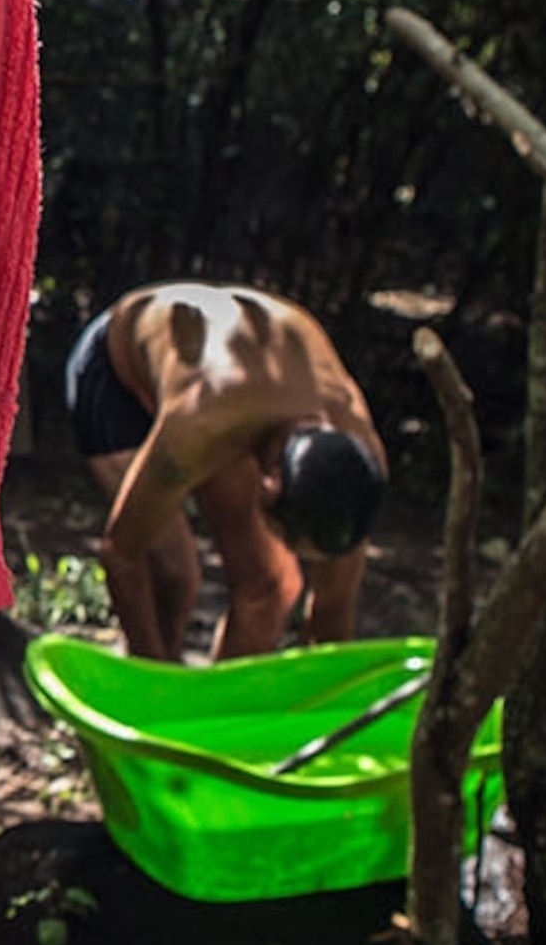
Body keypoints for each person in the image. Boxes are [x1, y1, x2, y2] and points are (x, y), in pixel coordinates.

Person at [62, 281, 387, 663]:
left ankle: (220, 700)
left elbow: (332, 624)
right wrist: (153, 675)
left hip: (244, 396)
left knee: (270, 590)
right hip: (118, 379)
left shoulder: (357, 465)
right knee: (173, 575)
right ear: (267, 487)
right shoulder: (199, 428)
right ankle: (150, 689)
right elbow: (121, 555)